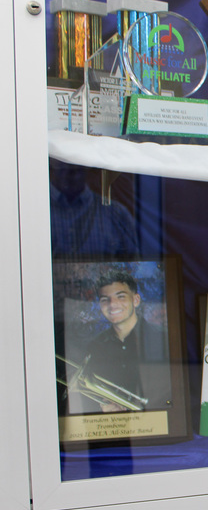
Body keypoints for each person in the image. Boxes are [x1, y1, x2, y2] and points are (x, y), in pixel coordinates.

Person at [81, 269, 171, 413]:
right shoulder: (94, 346)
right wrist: (102, 407)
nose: (113, 304)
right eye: (105, 299)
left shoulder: (164, 339)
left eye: (121, 297)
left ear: (136, 300)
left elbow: (173, 394)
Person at [49, 160, 139, 258]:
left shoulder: (117, 213)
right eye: (63, 164)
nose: (71, 169)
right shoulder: (34, 213)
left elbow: (134, 266)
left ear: (88, 165)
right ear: (51, 162)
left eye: (76, 165)